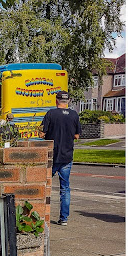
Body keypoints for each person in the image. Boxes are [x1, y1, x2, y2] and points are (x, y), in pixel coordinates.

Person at [39, 91, 81, 225]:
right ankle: (64, 219)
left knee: (44, 185)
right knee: (65, 188)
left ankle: (41, 216)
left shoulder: (50, 114)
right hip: (67, 157)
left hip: (51, 156)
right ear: (68, 101)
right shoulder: (74, 115)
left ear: (56, 100)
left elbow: (41, 133)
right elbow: (77, 136)